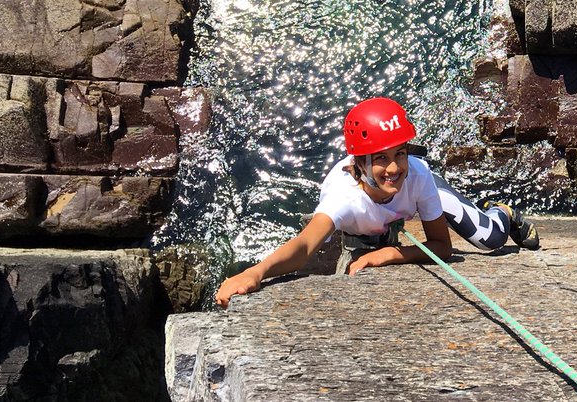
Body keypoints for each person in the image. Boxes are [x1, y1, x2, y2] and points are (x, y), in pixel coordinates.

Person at [216, 96, 539, 308]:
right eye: (382, 158)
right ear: (360, 163)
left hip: (423, 193)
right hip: (372, 212)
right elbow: (304, 246)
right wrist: (255, 273)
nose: (395, 167)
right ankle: (381, 232)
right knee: (364, 236)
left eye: (401, 153)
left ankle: (502, 213)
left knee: (490, 240)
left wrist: (389, 254)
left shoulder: (417, 174)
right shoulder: (343, 198)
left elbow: (441, 246)